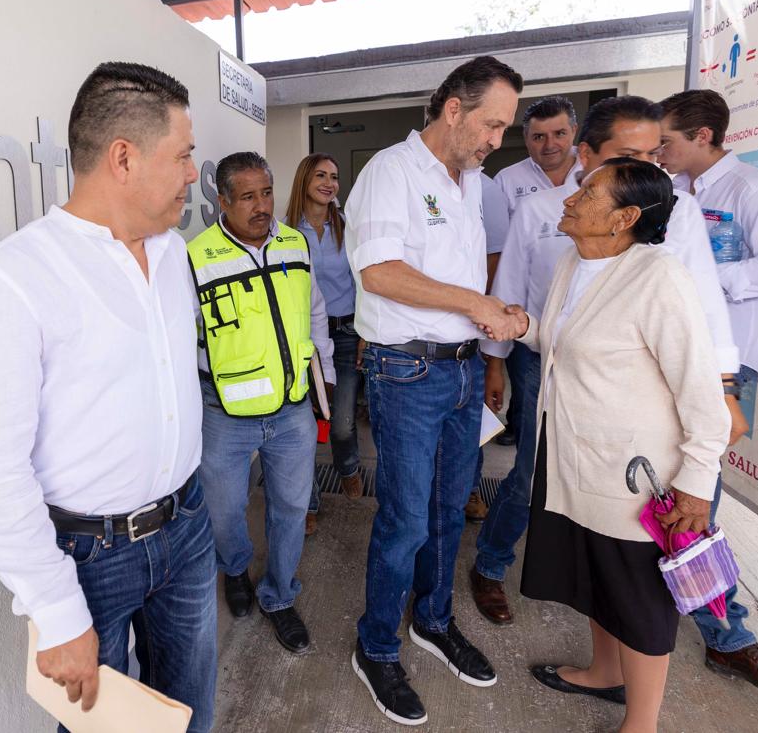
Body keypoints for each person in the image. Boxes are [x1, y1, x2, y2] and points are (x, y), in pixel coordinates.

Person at [0, 62, 216, 731]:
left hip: (187, 528)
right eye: (183, 155)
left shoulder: (174, 254)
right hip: (88, 561)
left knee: (191, 716)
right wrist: (56, 608)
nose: (193, 173)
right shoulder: (13, 280)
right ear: (123, 157)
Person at [472, 95, 742, 626]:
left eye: (653, 153)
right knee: (537, 474)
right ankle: (493, 563)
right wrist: (498, 357)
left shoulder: (670, 221)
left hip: (635, 379)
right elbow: (520, 299)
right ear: (588, 152)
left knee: (654, 503)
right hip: (547, 362)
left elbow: (699, 306)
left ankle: (717, 625)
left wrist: (723, 386)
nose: (647, 166)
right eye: (628, 154)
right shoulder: (551, 219)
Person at [512, 158, 731, 733]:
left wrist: (698, 483)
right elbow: (565, 341)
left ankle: (643, 723)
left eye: (588, 193)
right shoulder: (573, 261)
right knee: (595, 580)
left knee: (638, 602)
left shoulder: (658, 278)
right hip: (572, 463)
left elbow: (703, 397)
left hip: (633, 479)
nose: (570, 199)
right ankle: (604, 671)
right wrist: (520, 326)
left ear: (625, 217)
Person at [345, 56, 527, 726]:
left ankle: (432, 619)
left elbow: (457, 275)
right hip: (406, 371)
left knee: (451, 510)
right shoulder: (392, 173)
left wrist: (488, 330)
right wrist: (477, 302)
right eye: (491, 123)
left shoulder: (470, 181)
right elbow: (383, 272)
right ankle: (376, 647)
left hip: (459, 368)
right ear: (454, 108)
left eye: (504, 127)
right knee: (406, 519)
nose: (495, 139)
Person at [659, 88, 758, 692]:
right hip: (674, 361)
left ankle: (730, 637)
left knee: (698, 501)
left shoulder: (750, 189)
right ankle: (665, 615)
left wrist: (701, 278)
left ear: (702, 136)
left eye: (667, 139)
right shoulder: (678, 194)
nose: (660, 150)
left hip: (726, 367)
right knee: (664, 496)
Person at [190, 151, 335, 655]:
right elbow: (183, 340)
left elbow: (314, 311)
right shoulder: (196, 257)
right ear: (223, 200)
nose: (260, 206)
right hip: (223, 413)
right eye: (247, 196)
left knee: (291, 508)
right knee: (225, 510)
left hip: (292, 408)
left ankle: (279, 595)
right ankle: (235, 569)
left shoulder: (294, 242)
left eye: (267, 193)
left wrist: (326, 373)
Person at [490, 96, 583, 449]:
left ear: (574, 132)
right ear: (526, 138)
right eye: (538, 137)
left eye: (559, 133)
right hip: (531, 327)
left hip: (584, 329)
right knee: (533, 431)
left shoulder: (594, 178)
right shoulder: (507, 181)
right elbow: (502, 259)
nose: (550, 144)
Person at [285, 153, 365, 534]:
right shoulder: (285, 231)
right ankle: (309, 502)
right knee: (304, 424)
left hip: (347, 333)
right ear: (304, 180)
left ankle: (347, 466)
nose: (329, 183)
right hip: (304, 339)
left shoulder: (348, 226)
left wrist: (366, 331)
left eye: (334, 176)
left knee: (342, 423)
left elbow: (364, 282)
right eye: (321, 175)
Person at [463, 170, 513, 523]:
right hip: (426, 335)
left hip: (475, 327)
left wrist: (486, 316)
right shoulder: (406, 178)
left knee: (472, 420)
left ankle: (469, 488)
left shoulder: (487, 189)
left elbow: (495, 260)